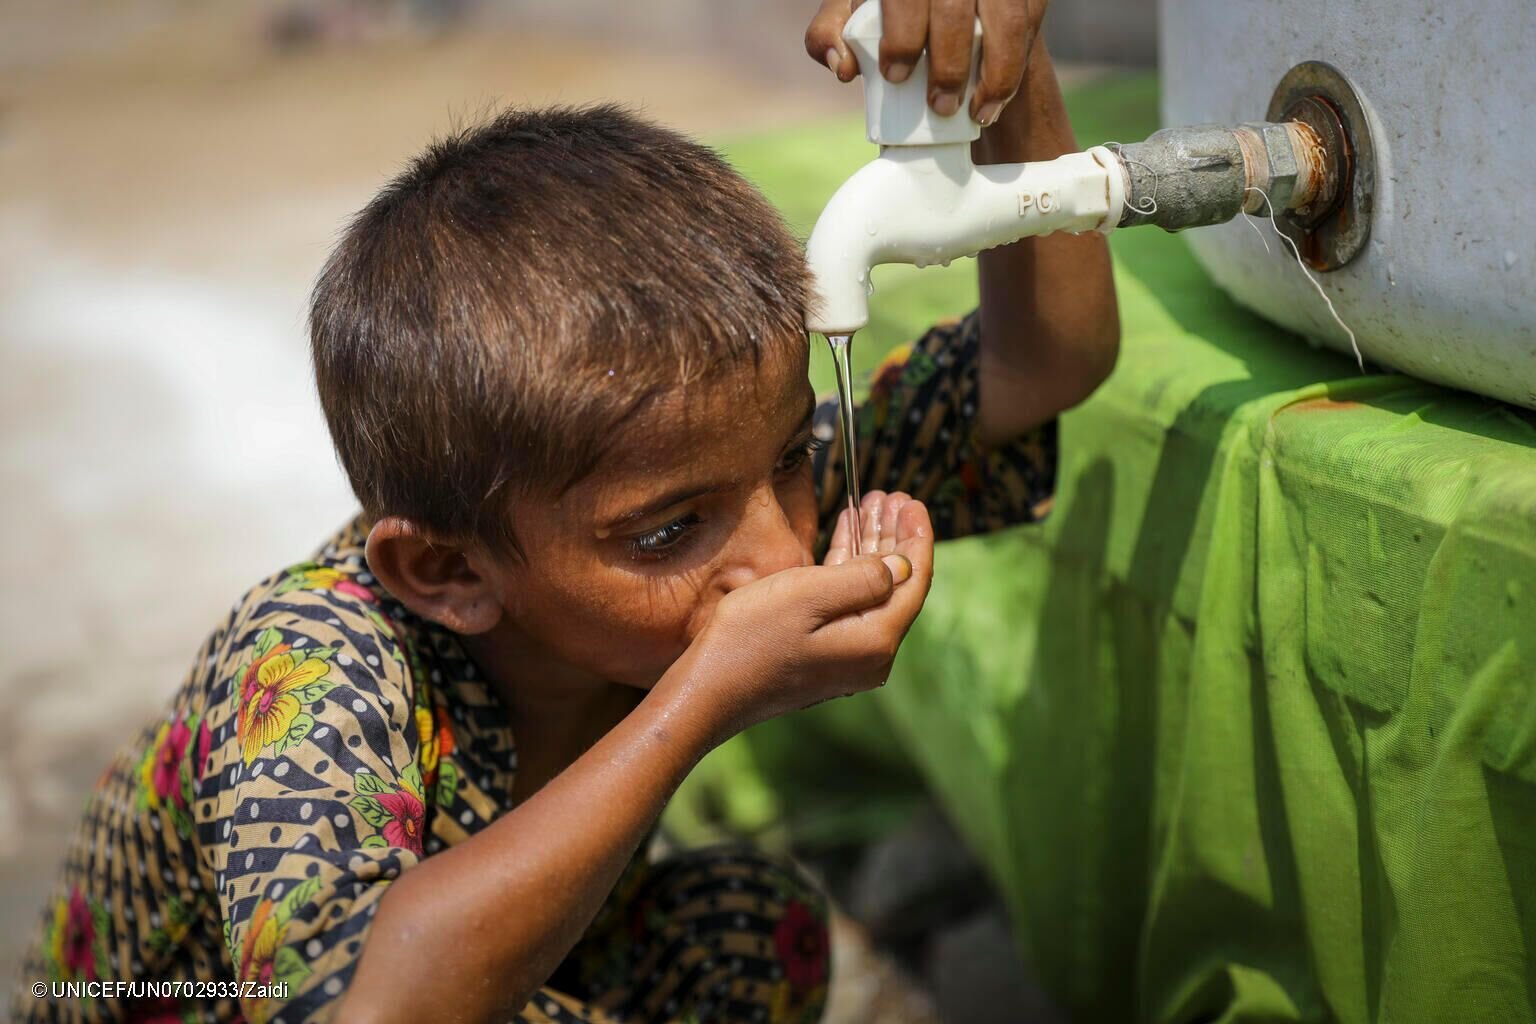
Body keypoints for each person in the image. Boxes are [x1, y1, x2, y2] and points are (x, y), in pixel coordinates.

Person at [14, 1, 1117, 1021]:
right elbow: (375, 1008)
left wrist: (1008, 79)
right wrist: (702, 698)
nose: (781, 556)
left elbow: (1043, 363)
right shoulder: (316, 662)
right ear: (449, 576)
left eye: (789, 461)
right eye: (664, 533)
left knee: (749, 927)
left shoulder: (719, 492)